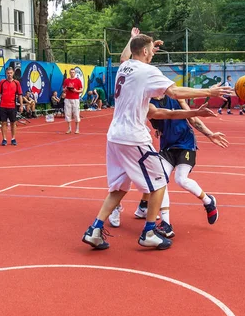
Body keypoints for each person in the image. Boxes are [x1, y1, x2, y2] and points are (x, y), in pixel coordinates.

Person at [81, 27, 231, 251]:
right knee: (160, 179)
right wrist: (209, 93)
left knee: (119, 188)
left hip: (114, 137)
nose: (153, 54)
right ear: (142, 51)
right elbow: (176, 93)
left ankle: (94, 230)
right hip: (133, 137)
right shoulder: (146, 71)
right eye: (151, 50)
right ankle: (149, 232)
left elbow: (125, 56)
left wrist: (132, 40)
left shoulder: (125, 67)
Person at [108, 95, 228, 233]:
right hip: (167, 147)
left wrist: (210, 134)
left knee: (181, 179)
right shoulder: (147, 102)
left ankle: (208, 201)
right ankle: (166, 224)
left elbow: (192, 119)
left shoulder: (176, 97)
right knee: (160, 181)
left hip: (186, 144)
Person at [0, 66, 24, 146]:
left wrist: (21, 105)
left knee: (13, 123)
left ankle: (13, 138)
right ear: (6, 74)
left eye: (11, 73)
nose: (9, 75)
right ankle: (4, 139)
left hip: (12, 106)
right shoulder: (2, 82)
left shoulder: (16, 83)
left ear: (13, 73)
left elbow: (20, 95)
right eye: (8, 73)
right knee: (3, 123)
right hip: (3, 106)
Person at [62, 68, 83, 134]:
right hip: (68, 98)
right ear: (69, 73)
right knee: (68, 113)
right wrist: (65, 89)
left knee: (76, 113)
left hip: (75, 99)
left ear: (75, 73)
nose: (72, 73)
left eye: (73, 72)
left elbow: (81, 89)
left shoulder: (78, 81)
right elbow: (63, 90)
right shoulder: (66, 80)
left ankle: (77, 129)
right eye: (71, 72)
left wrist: (76, 91)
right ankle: (69, 128)